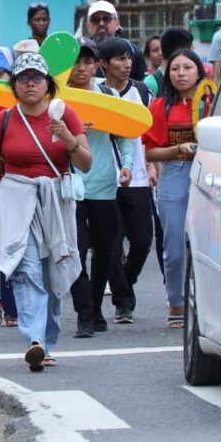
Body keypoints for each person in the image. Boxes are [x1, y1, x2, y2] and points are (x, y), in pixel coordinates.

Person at [0, 52, 89, 371]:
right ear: (14, 85)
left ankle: (47, 341)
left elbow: (86, 163)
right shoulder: (2, 120)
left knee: (51, 274)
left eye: (37, 78)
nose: (30, 83)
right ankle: (34, 339)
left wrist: (67, 138)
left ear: (48, 83)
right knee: (25, 268)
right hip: (15, 199)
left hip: (54, 200)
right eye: (23, 78)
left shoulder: (66, 114)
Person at [65, 40, 134, 339]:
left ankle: (95, 307)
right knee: (76, 252)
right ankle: (84, 313)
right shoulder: (57, 98)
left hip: (104, 185)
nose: (81, 68)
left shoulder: (109, 94)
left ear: (97, 65)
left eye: (87, 62)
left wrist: (127, 165)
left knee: (105, 250)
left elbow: (124, 136)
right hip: (68, 186)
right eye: (76, 62)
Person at [142, 48, 206, 329]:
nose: (181, 73)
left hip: (209, 174)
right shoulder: (160, 106)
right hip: (175, 173)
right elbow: (151, 152)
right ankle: (176, 303)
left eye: (187, 67)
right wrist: (178, 149)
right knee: (174, 244)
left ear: (199, 72)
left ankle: (206, 303)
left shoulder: (213, 104)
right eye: (175, 68)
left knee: (207, 243)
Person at [98, 38, 157, 324]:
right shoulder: (97, 93)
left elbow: (152, 135)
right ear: (104, 63)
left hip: (138, 180)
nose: (127, 64)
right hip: (103, 181)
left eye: (129, 58)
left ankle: (125, 284)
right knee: (109, 243)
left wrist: (152, 164)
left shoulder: (144, 93)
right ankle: (123, 301)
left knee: (143, 241)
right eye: (119, 59)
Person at [85, 0, 147, 78]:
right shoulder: (82, 51)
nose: (101, 23)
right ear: (88, 26)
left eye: (107, 19)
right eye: (95, 20)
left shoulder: (132, 51)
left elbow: (142, 84)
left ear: (117, 23)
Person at [143, 27, 193, 98]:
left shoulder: (189, 80)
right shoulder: (151, 83)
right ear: (180, 52)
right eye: (191, 52)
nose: (193, 58)